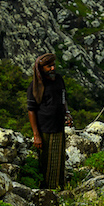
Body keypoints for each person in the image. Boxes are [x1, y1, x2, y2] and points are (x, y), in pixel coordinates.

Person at [27, 53, 73, 190]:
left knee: (58, 161)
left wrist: (67, 114)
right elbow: (31, 110)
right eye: (49, 66)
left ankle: (59, 187)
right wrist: (36, 135)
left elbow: (63, 98)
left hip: (59, 126)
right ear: (41, 69)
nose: (52, 68)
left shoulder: (59, 80)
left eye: (53, 65)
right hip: (45, 129)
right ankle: (47, 191)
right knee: (46, 162)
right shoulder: (35, 87)